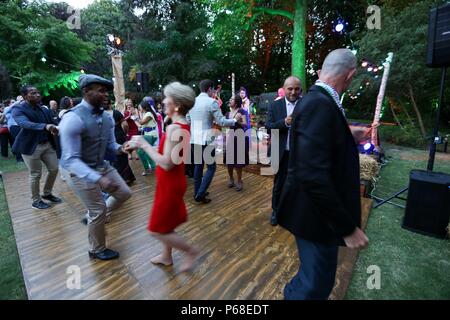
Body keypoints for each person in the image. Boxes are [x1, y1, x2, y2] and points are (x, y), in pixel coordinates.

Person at [277, 49, 369, 300]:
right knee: (314, 286)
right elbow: (312, 174)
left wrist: (348, 135)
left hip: (316, 213)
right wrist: (347, 228)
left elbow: (320, 144)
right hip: (316, 215)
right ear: (350, 76)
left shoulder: (319, 101)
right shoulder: (319, 103)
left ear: (321, 73)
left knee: (316, 280)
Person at [125, 82, 199, 272]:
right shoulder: (178, 125)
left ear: (177, 105)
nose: (163, 101)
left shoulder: (176, 128)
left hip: (171, 183)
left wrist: (143, 144)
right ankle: (167, 256)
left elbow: (167, 162)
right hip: (170, 182)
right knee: (167, 224)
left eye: (167, 98)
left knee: (156, 229)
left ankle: (190, 251)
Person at [59, 74, 132, 261]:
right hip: (77, 171)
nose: (106, 94)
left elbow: (111, 146)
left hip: (101, 165)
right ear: (86, 92)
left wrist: (122, 148)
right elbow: (70, 160)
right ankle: (96, 249)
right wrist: (98, 179)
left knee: (124, 193)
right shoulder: (72, 119)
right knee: (98, 210)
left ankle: (91, 216)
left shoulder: (107, 118)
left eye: (106, 90)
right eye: (100, 91)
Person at [187, 79, 238, 204]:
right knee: (211, 167)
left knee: (198, 167)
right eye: (213, 90)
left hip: (194, 139)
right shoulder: (212, 102)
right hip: (206, 139)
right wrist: (234, 121)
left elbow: (188, 119)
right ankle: (200, 193)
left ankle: (198, 192)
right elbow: (221, 122)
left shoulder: (192, 102)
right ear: (209, 89)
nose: (214, 92)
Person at [12, 86, 61, 210]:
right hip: (30, 147)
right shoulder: (18, 109)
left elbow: (53, 123)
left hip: (47, 144)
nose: (37, 95)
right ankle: (36, 200)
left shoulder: (43, 109)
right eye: (33, 93)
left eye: (38, 93)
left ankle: (47, 193)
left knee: (54, 169)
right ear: (24, 96)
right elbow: (23, 123)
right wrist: (45, 126)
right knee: (35, 174)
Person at [265, 76, 302, 226]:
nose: (293, 92)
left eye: (297, 89)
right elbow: (268, 126)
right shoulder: (275, 106)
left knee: (296, 184)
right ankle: (276, 211)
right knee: (279, 183)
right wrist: (284, 123)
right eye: (290, 88)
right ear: (284, 89)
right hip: (280, 152)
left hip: (299, 153)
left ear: (301, 90)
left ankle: (292, 211)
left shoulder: (306, 104)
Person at [223, 94, 249, 191]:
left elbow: (245, 124)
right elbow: (225, 125)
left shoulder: (241, 111)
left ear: (236, 102)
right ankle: (231, 178)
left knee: (238, 161)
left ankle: (239, 180)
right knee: (229, 160)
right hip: (230, 138)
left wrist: (238, 121)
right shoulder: (227, 113)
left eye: (231, 99)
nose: (230, 100)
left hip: (239, 137)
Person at [137, 97, 159, 176]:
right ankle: (153, 168)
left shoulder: (149, 114)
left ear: (144, 107)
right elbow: (141, 126)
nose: (139, 108)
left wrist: (135, 117)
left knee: (140, 152)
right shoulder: (146, 114)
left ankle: (147, 169)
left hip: (150, 135)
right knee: (146, 152)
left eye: (140, 107)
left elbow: (142, 122)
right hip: (148, 135)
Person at [3, 97, 24, 162]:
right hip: (13, 127)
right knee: (17, 141)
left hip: (20, 126)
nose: (14, 103)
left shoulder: (18, 109)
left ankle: (23, 157)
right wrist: (17, 102)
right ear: (9, 104)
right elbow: (6, 112)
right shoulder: (7, 108)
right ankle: (19, 159)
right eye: (12, 102)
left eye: (14, 102)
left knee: (22, 141)